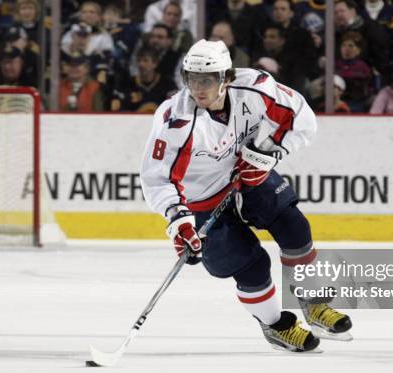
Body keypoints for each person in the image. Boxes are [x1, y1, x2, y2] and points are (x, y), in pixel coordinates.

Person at [140, 39, 353, 352]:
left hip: (247, 176)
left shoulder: (256, 88)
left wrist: (269, 153)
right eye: (192, 79)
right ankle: (276, 325)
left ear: (226, 77)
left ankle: (314, 302)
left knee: (294, 227)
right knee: (251, 266)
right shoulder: (176, 121)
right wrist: (178, 221)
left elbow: (300, 118)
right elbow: (157, 177)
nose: (198, 88)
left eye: (208, 80)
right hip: (200, 202)